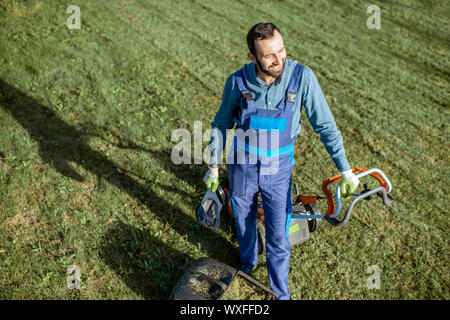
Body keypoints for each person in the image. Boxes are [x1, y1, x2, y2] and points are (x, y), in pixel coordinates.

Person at [203, 22, 359, 300]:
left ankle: (280, 293)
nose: (279, 60)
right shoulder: (237, 81)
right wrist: (213, 166)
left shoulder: (302, 78)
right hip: (243, 164)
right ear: (252, 57)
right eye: (269, 56)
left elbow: (325, 126)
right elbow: (221, 123)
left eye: (282, 51)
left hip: (278, 168)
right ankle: (248, 265)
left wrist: (345, 168)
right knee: (243, 219)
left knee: (278, 232)